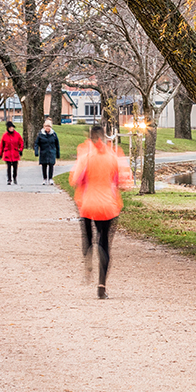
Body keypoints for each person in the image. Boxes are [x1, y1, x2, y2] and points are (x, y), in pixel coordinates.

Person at [70, 126, 132, 299]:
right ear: (104, 138)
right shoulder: (114, 156)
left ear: (91, 138)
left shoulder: (86, 156)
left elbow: (75, 179)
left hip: (88, 204)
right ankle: (101, 285)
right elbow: (124, 182)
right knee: (104, 242)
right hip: (108, 207)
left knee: (87, 234)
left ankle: (88, 252)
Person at [33, 119, 60, 185]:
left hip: (51, 152)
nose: (47, 128)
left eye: (49, 126)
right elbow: (36, 144)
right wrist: (36, 151)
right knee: (44, 166)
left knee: (51, 165)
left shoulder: (53, 135)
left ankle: (50, 178)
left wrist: (57, 153)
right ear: (44, 127)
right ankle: (44, 178)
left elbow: (57, 144)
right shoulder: (40, 135)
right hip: (43, 152)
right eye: (46, 126)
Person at [0, 120, 25, 185]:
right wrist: (0, 153)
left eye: (12, 127)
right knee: (9, 167)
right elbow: (2, 145)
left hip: (15, 153)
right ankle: (9, 179)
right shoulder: (5, 135)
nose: (11, 129)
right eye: (10, 128)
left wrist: (21, 150)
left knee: (15, 167)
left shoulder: (17, 135)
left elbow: (21, 143)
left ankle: (15, 178)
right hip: (8, 153)